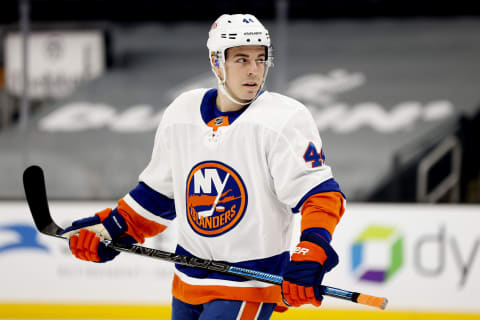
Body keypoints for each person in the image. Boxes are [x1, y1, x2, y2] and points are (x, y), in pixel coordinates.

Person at [61, 13, 346, 320]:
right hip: (187, 281)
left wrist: (312, 249)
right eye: (241, 59)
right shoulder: (181, 112)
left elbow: (321, 195)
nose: (254, 70)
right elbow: (158, 196)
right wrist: (113, 228)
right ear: (216, 62)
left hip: (248, 284)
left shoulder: (284, 118)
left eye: (260, 59)